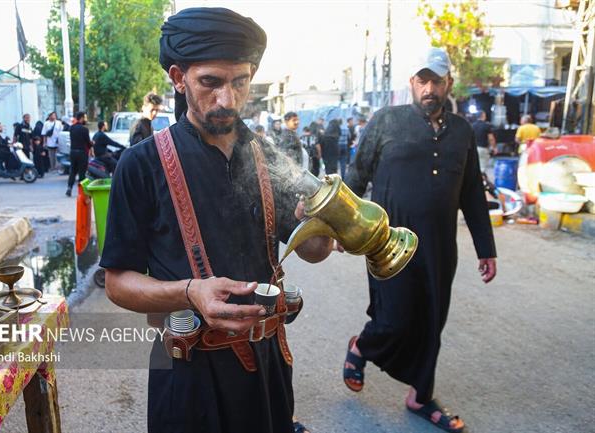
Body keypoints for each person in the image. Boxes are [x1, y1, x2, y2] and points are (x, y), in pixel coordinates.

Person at [100, 7, 336, 433]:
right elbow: (118, 282)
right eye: (211, 82)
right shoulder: (141, 164)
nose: (227, 99)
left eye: (240, 82)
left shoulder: (270, 157)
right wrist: (191, 292)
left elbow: (314, 250)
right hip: (186, 370)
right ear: (178, 77)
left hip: (268, 364)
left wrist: (324, 227)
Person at [344, 47, 497, 433]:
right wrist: (339, 228)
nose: (430, 88)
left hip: (441, 246)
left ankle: (420, 396)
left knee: (431, 322)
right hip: (389, 243)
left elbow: (472, 196)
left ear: (448, 83)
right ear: (411, 83)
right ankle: (362, 346)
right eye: (422, 80)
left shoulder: (462, 130)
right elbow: (355, 177)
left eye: (437, 80)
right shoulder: (386, 121)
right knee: (394, 318)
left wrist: (486, 249)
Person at [66, 112, 93, 197]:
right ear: (81, 118)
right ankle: (82, 191)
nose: (86, 119)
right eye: (85, 118)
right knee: (82, 172)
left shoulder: (72, 128)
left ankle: (69, 188)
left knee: (72, 171)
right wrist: (92, 144)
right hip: (82, 153)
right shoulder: (84, 129)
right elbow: (88, 142)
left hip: (73, 152)